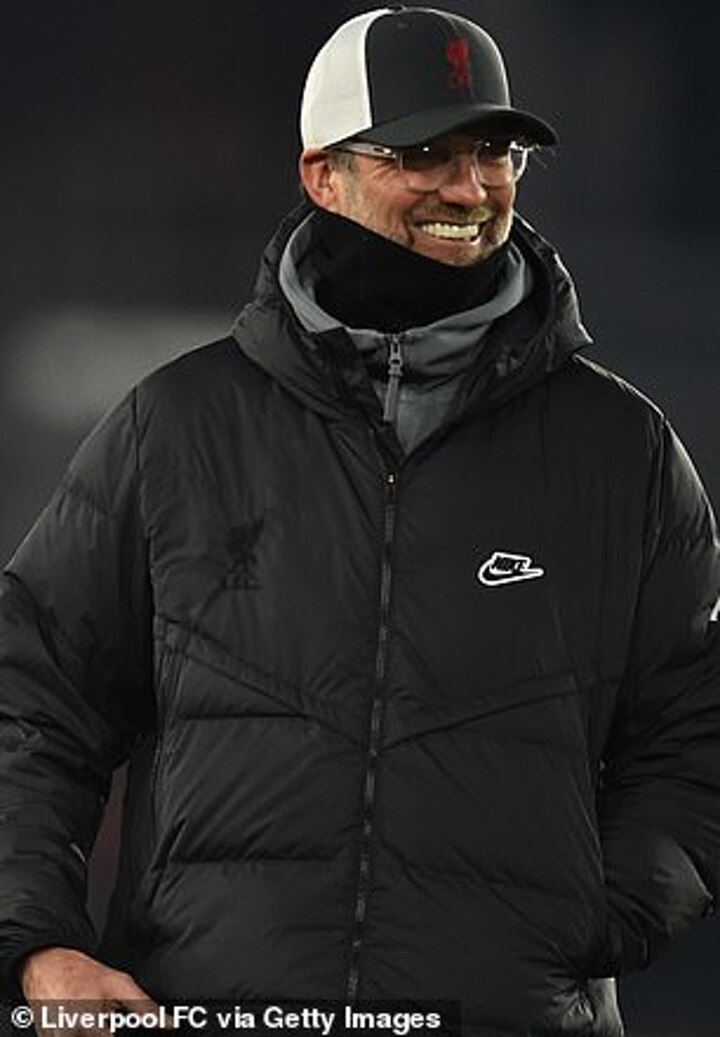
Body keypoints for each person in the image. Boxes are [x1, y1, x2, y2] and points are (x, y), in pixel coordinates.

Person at [2, 6, 719, 1036]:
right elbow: (31, 695)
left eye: (495, 152)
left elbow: (698, 727)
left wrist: (600, 917)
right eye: (423, 153)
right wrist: (38, 942)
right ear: (322, 175)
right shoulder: (178, 429)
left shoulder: (622, 452)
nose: (469, 188)